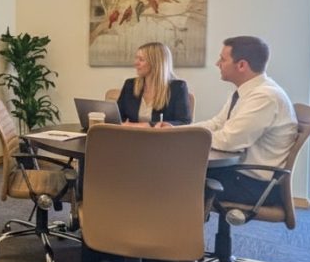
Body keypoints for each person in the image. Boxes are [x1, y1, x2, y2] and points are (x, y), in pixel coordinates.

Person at [181, 35, 297, 207]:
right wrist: (180, 131)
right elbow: (216, 123)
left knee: (172, 180)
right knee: (173, 171)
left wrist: (184, 139)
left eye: (222, 59)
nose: (217, 64)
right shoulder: (246, 91)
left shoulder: (265, 97)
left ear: (242, 65)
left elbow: (229, 141)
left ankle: (178, 232)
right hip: (238, 173)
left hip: (254, 185)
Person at [117, 42, 192, 126]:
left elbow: (184, 122)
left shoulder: (177, 88)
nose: (136, 63)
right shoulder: (130, 85)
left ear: (156, 63)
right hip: (131, 137)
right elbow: (117, 119)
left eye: (141, 60)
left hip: (161, 138)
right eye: (136, 58)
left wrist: (149, 125)